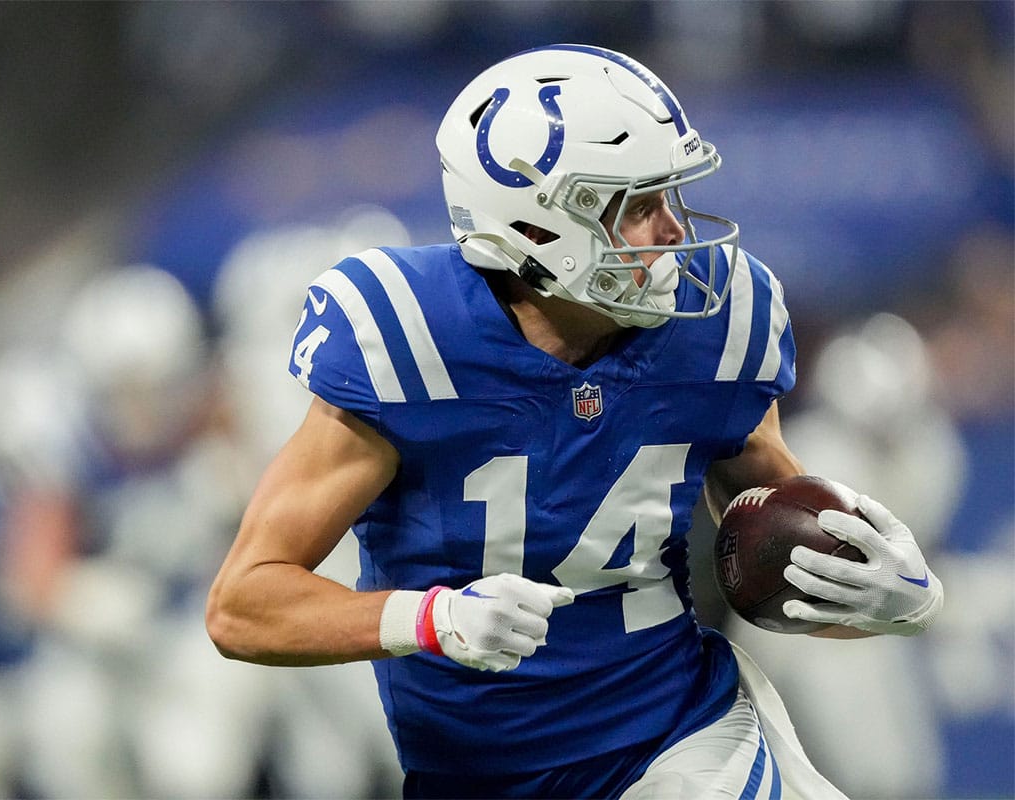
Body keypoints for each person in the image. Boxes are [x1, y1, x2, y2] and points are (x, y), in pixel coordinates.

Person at [205, 44, 944, 799]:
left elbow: (775, 549)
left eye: (671, 197)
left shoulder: (719, 321)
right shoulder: (410, 339)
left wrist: (891, 599)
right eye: (637, 206)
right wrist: (434, 621)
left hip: (678, 739)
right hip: (471, 771)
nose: (673, 231)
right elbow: (244, 605)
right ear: (534, 228)